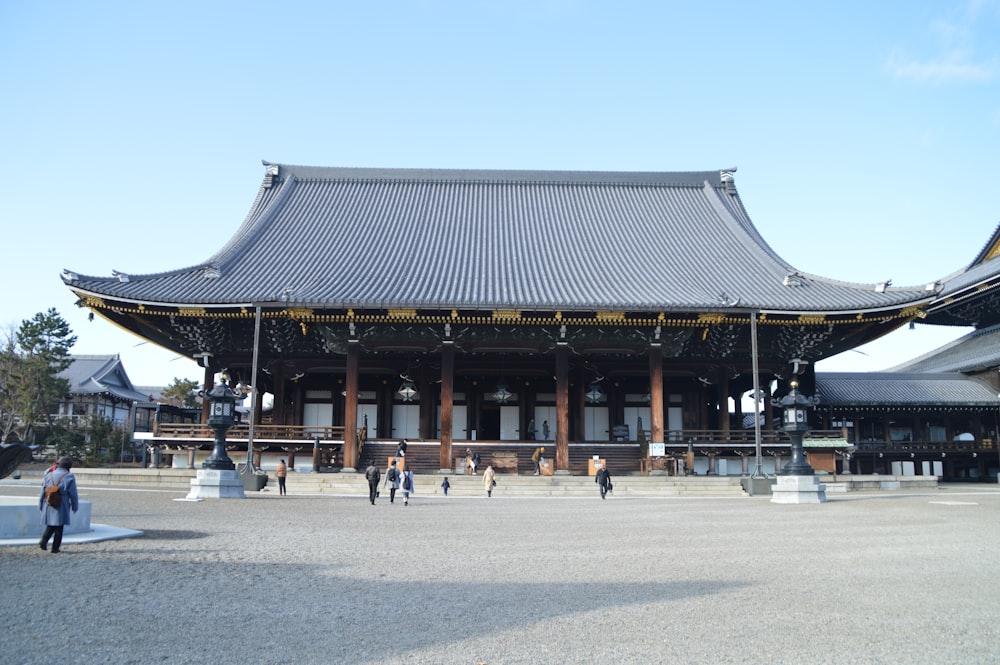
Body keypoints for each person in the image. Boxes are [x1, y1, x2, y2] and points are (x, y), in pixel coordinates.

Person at [38, 456, 78, 553]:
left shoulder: (49, 475)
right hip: (62, 501)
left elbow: (42, 491)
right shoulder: (69, 476)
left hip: (48, 501)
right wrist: (74, 506)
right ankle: (55, 548)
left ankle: (43, 541)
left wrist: (40, 505)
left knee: (51, 524)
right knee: (59, 526)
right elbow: (73, 494)